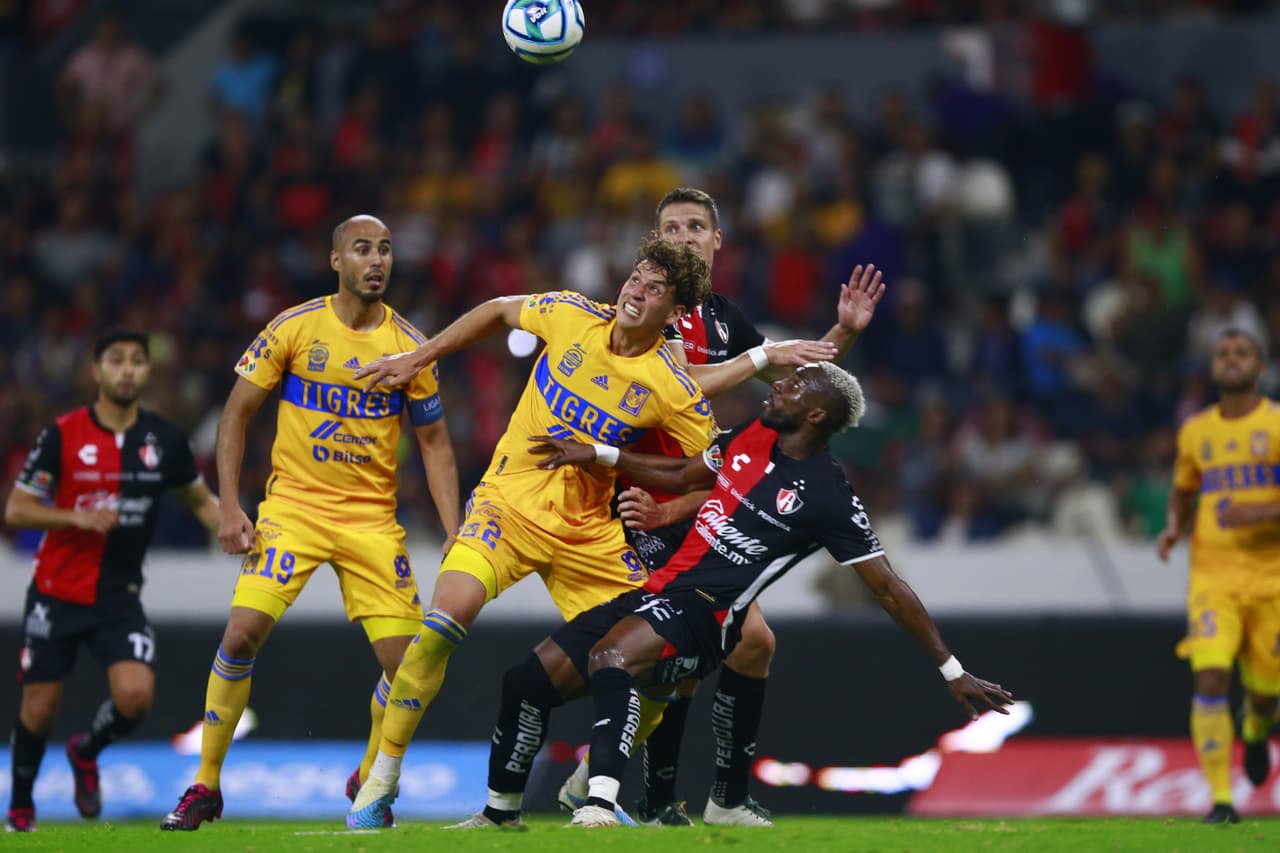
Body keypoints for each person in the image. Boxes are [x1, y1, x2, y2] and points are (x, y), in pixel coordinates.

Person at [345, 233, 835, 828]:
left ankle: (586, 783)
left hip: (589, 535)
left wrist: (669, 511)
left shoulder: (670, 386)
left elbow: (717, 475)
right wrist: (419, 358)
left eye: (655, 289)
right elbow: (499, 309)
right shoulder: (572, 313)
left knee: (651, 663)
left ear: (674, 313)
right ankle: (381, 783)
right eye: (636, 279)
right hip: (507, 507)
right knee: (445, 623)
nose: (636, 292)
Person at [453, 362, 1014, 829]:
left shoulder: (828, 497)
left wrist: (951, 669)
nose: (778, 387)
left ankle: (598, 801)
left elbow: (889, 589)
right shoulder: (752, 437)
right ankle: (500, 819)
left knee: (611, 657)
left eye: (794, 386)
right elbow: (680, 477)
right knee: (525, 682)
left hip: (709, 619)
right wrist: (599, 454)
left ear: (816, 416)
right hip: (657, 591)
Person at [560, 186, 884, 827]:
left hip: (695, 499)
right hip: (636, 496)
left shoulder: (724, 317)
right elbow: (672, 385)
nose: (682, 237)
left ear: (716, 241)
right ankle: (654, 798)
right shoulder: (646, 310)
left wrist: (841, 332)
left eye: (694, 227)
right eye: (671, 228)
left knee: (748, 645)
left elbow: (795, 380)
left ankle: (704, 798)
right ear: (654, 244)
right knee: (693, 647)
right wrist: (757, 357)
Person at [161, 215, 461, 830]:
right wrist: (229, 505)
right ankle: (206, 785)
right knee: (241, 634)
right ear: (336, 261)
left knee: (406, 666)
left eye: (384, 250)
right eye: (361, 249)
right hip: (293, 508)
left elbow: (435, 444)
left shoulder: (410, 346)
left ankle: (368, 773)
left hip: (372, 520)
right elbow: (236, 414)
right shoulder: (295, 327)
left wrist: (456, 532)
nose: (376, 260)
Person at [4, 329, 220, 833]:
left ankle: (86, 751)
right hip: (56, 592)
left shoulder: (163, 439)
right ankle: (20, 806)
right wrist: (75, 519)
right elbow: (16, 508)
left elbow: (198, 501)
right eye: (116, 360)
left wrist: (234, 526)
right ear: (96, 371)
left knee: (135, 696)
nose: (127, 369)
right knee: (40, 706)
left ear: (147, 372)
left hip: (118, 597)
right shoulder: (63, 434)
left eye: (137, 361)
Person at [1157, 328, 1280, 825]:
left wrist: (1262, 512)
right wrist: (1173, 527)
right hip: (1213, 578)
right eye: (1223, 353)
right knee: (1210, 674)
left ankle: (1255, 729)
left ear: (1259, 365)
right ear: (1212, 368)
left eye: (1242, 353)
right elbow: (1185, 487)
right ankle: (1221, 800)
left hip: (1272, 579)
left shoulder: (1275, 424)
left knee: (1266, 692)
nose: (1231, 360)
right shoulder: (1196, 431)